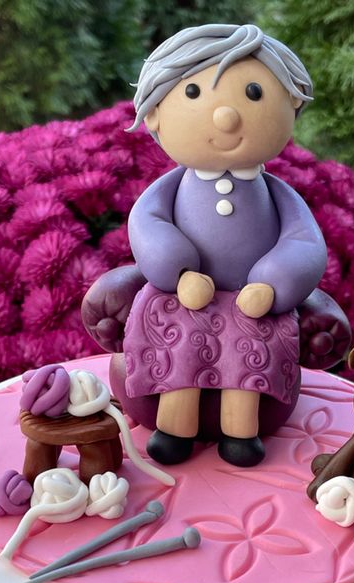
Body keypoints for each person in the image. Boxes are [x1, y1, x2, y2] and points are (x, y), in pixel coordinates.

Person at [126, 23, 327, 467]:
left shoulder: (276, 194)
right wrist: (175, 269)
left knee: (255, 336)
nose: (226, 116)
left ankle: (242, 433)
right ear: (156, 112)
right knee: (173, 334)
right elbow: (147, 222)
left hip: (254, 299)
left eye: (253, 92)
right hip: (181, 294)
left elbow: (304, 240)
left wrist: (273, 283)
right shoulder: (170, 187)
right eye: (193, 93)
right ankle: (174, 428)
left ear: (291, 104)